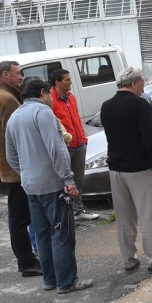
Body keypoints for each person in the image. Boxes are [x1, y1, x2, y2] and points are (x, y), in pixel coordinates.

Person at [5, 77, 93, 294]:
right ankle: (67, 282)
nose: (52, 99)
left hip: (31, 185)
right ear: (43, 92)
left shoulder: (15, 116)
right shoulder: (43, 113)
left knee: (43, 235)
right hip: (53, 184)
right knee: (62, 234)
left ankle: (50, 279)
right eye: (49, 94)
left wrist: (26, 173)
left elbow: (11, 155)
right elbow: (57, 148)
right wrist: (68, 178)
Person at [99, 67, 152, 275]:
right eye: (142, 84)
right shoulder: (140, 104)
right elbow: (150, 138)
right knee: (150, 216)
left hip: (116, 169)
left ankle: (129, 260)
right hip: (140, 169)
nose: (143, 88)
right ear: (134, 83)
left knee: (124, 218)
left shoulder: (106, 105)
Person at [0, 60, 42, 277]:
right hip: (16, 170)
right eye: (17, 73)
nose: (21, 77)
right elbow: (18, 137)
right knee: (20, 219)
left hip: (12, 168)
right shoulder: (7, 99)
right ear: (5, 76)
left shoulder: (0, 96)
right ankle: (27, 262)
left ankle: (27, 260)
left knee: (19, 218)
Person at [49, 68, 99, 221]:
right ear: (57, 82)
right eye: (67, 79)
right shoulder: (51, 100)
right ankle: (66, 215)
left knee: (79, 181)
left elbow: (76, 118)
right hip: (65, 147)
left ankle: (78, 211)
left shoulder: (71, 97)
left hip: (79, 144)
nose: (71, 82)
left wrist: (83, 139)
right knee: (64, 182)